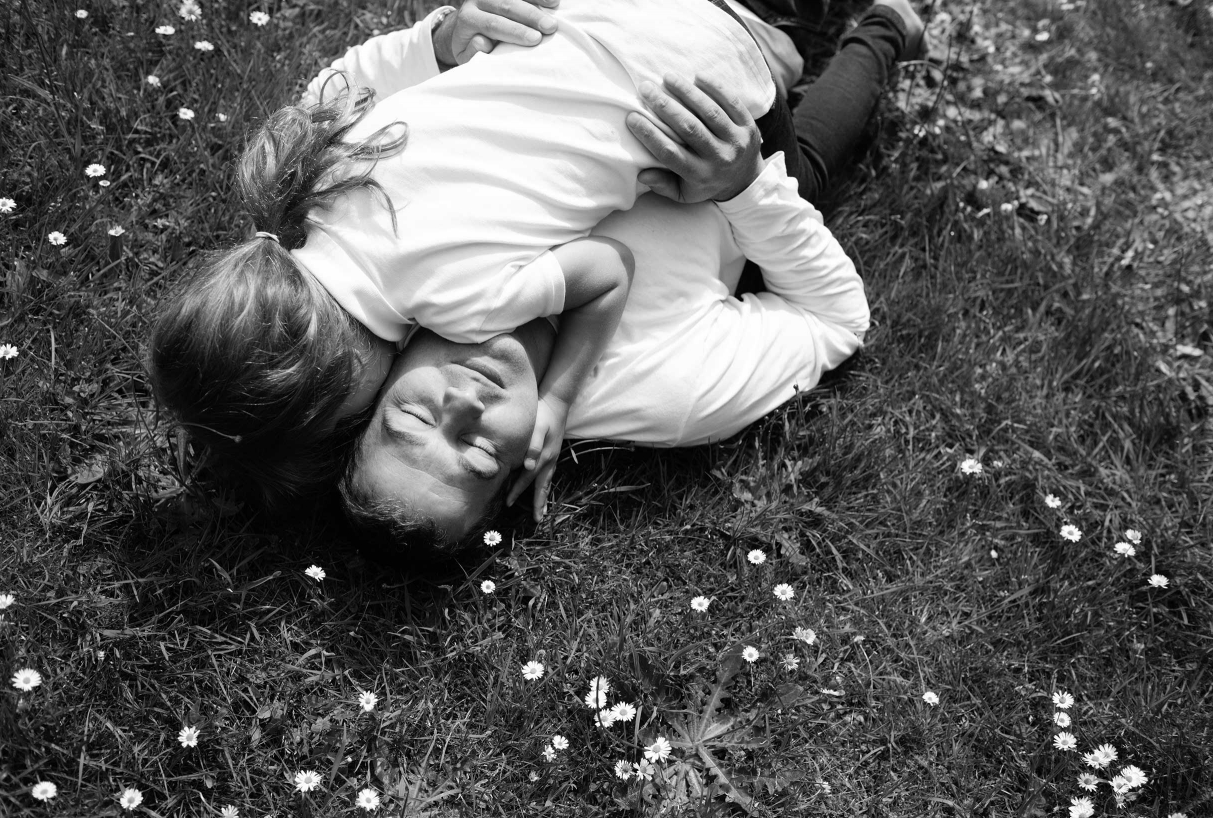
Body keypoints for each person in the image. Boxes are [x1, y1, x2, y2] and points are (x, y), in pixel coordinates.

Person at [147, 0, 809, 508]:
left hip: (708, 86)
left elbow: (609, 275)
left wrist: (554, 399)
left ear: (349, 375)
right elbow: (339, 90)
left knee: (784, 127)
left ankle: (778, 47)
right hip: (596, 16)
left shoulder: (464, 309)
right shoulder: (306, 178)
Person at [336, 0, 925, 548]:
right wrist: (746, 189)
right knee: (805, 179)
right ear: (520, 473)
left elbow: (331, 110)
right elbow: (837, 321)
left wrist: (436, 44)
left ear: (370, 397)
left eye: (414, 417)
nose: (465, 403)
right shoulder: (664, 389)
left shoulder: (381, 254)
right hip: (740, 76)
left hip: (608, 17)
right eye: (481, 455)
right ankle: (882, 29)